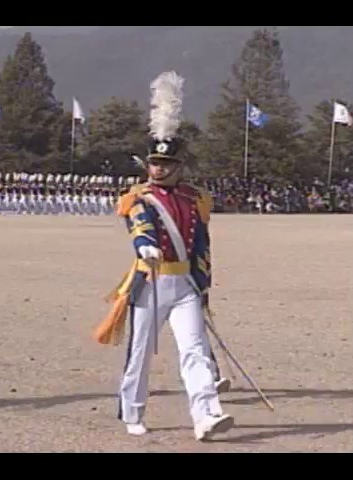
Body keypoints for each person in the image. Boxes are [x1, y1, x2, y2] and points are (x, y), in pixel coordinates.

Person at [94, 71, 233, 441]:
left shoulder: (195, 198)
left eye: (166, 164)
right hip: (151, 281)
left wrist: (203, 285)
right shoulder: (139, 197)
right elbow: (139, 226)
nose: (159, 168)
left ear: (179, 166)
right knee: (141, 352)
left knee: (196, 351)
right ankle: (132, 411)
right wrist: (146, 246)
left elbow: (202, 245)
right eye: (155, 163)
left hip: (184, 282)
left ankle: (205, 414)